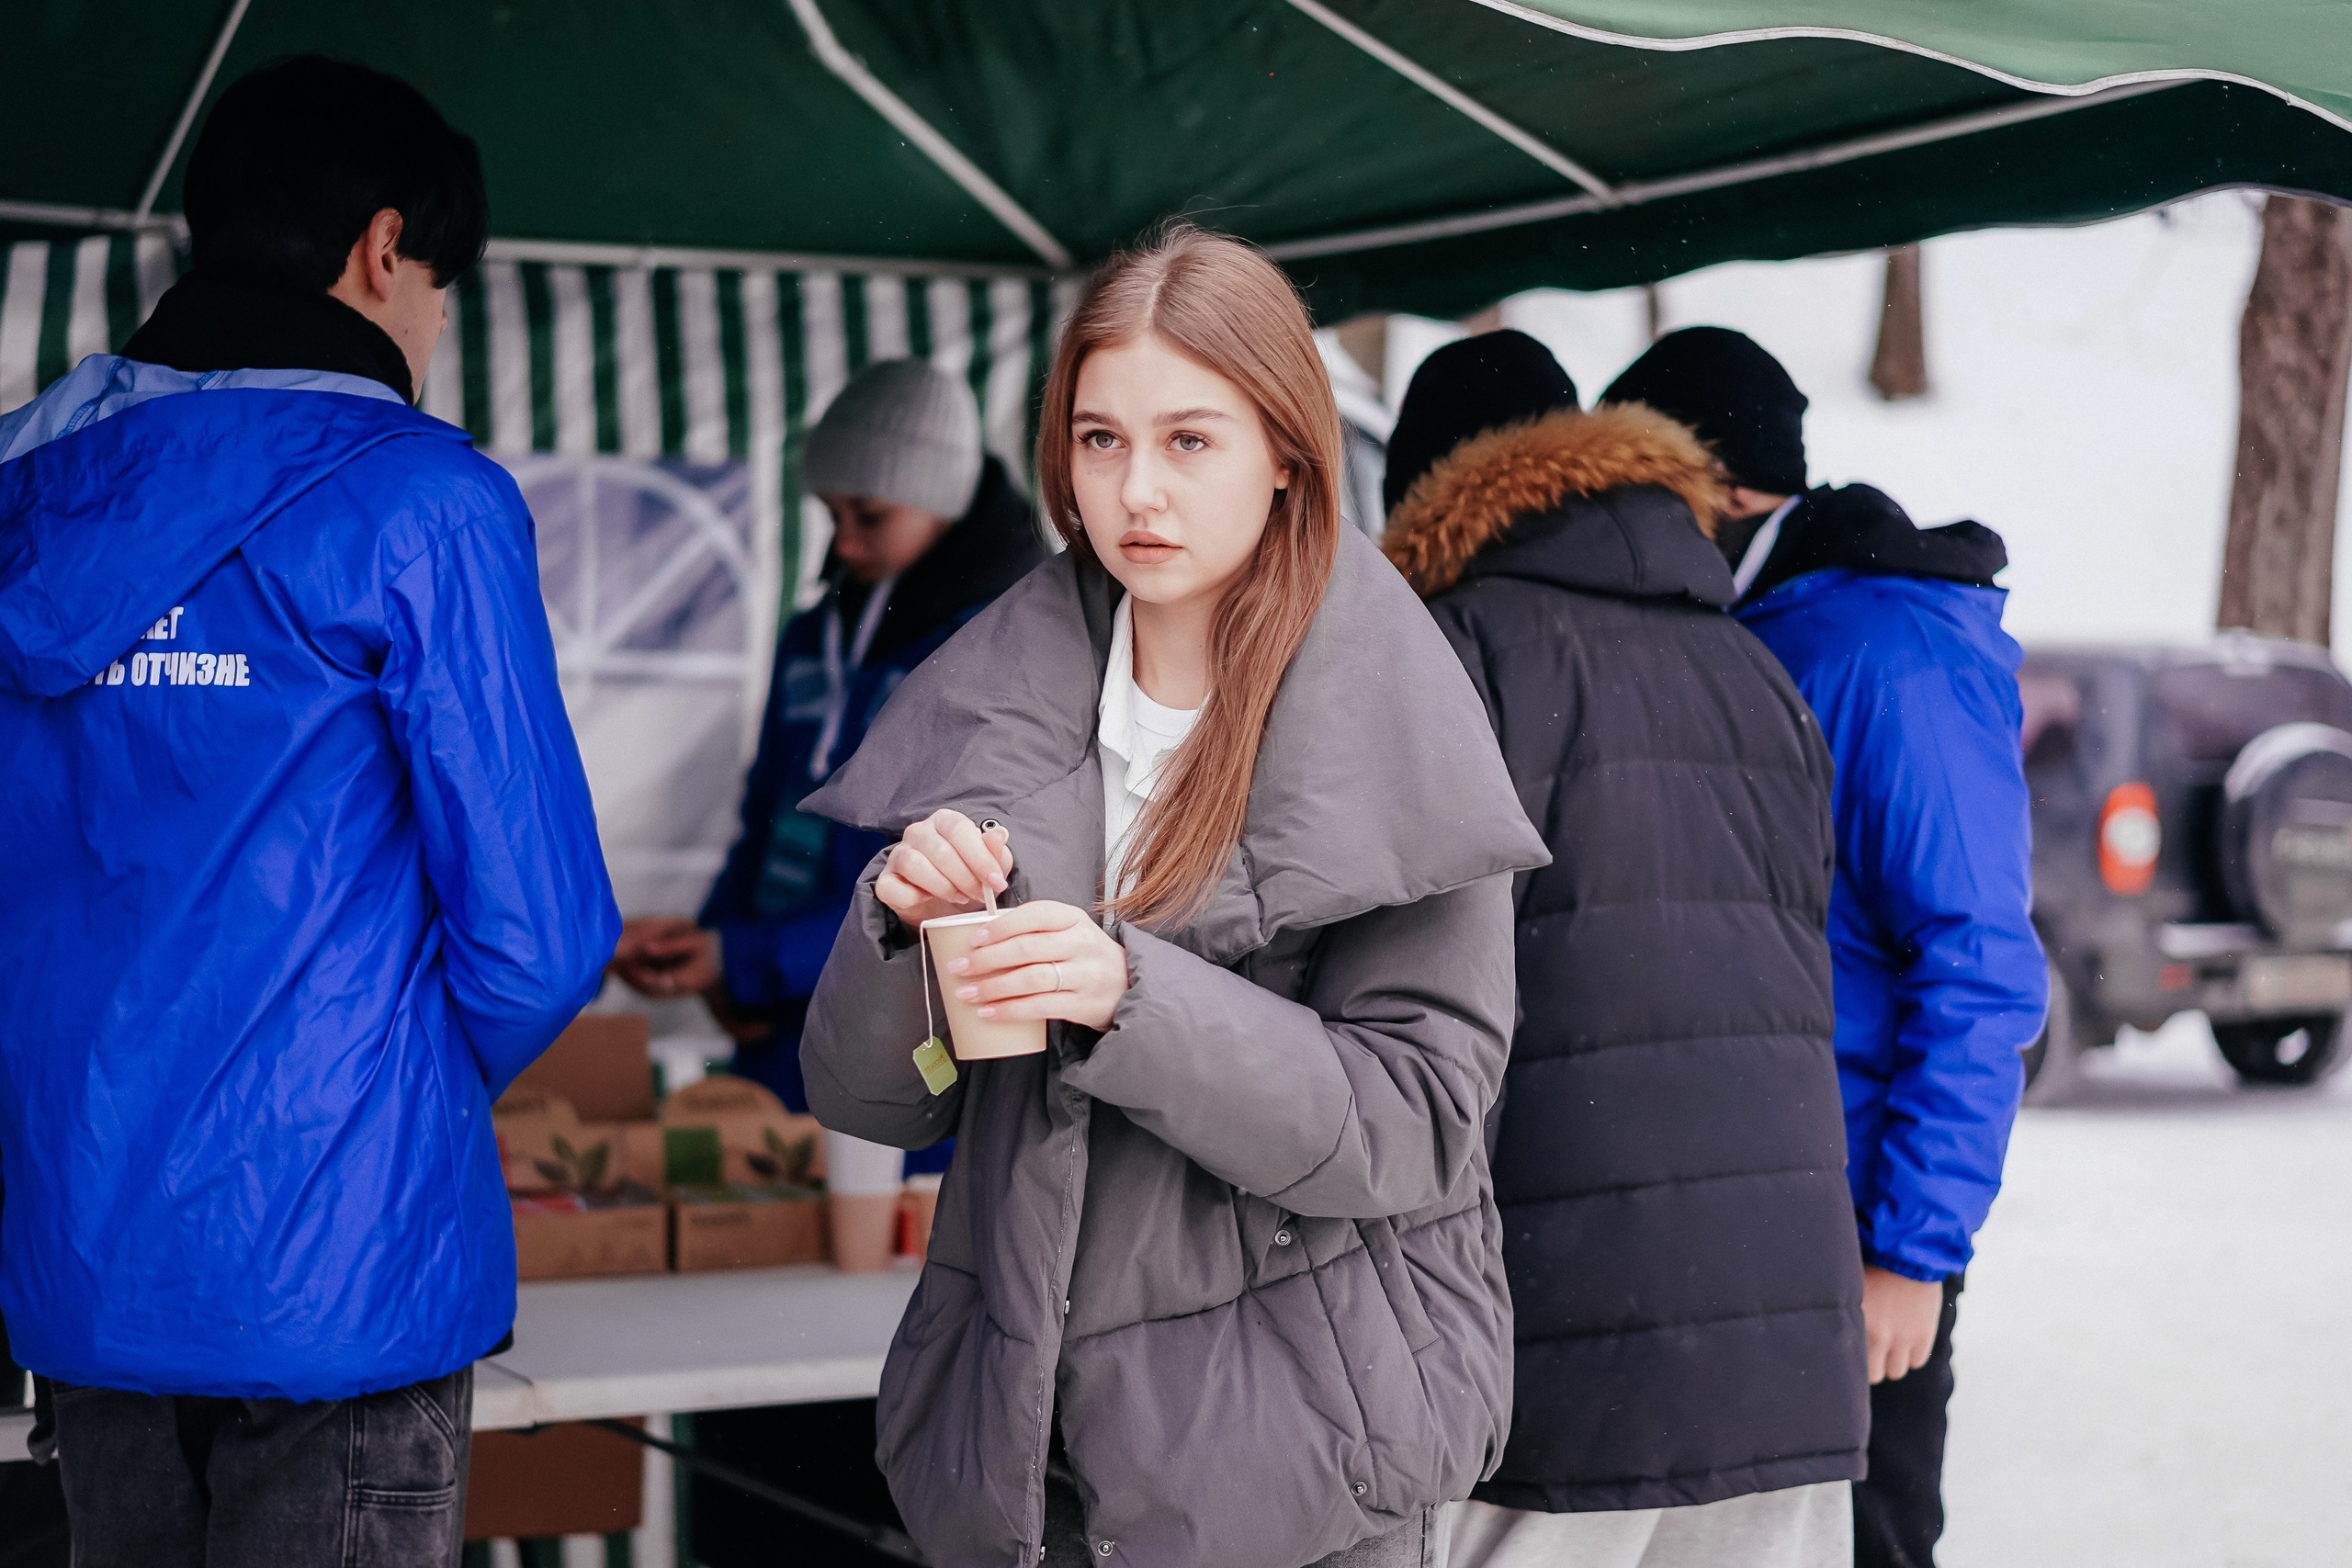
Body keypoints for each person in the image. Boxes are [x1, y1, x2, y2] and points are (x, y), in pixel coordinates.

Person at [794, 224, 1548, 1568]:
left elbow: (1414, 1122)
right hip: (1028, 1457)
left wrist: (1129, 996)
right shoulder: (997, 697)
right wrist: (899, 936)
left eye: (1189, 440)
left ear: (1287, 451)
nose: (1135, 489)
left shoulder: (1395, 709)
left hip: (1293, 1468)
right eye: (1100, 439)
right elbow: (877, 1101)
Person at [0, 57, 616, 1568]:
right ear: (383, 248)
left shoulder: (24, 487)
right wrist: (368, 1096)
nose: (435, 323)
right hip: (339, 1269)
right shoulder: (420, 501)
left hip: (81, 1250)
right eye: (443, 286)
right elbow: (538, 937)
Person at [1381, 332, 1866, 1568]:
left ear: (1424, 495)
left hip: (1561, 1341)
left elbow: (1405, 1021)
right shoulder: (1753, 668)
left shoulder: (1450, 654)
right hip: (1785, 1339)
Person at [1604, 327, 2047, 1568]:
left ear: (1709, 489)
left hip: (1858, 1223)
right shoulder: (1762, 621)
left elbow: (1979, 965)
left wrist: (1910, 1254)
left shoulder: (1890, 651)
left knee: (1869, 1541)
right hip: (1760, 1198)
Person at [607, 357, 1043, 1131]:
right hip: (776, 1016)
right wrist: (717, 947)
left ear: (942, 501)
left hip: (904, 1024)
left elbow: (961, 890)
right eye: (831, 514)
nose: (843, 542)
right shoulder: (819, 633)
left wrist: (743, 958)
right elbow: (768, 811)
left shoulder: (1005, 651)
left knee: (875, 1202)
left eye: (868, 516)